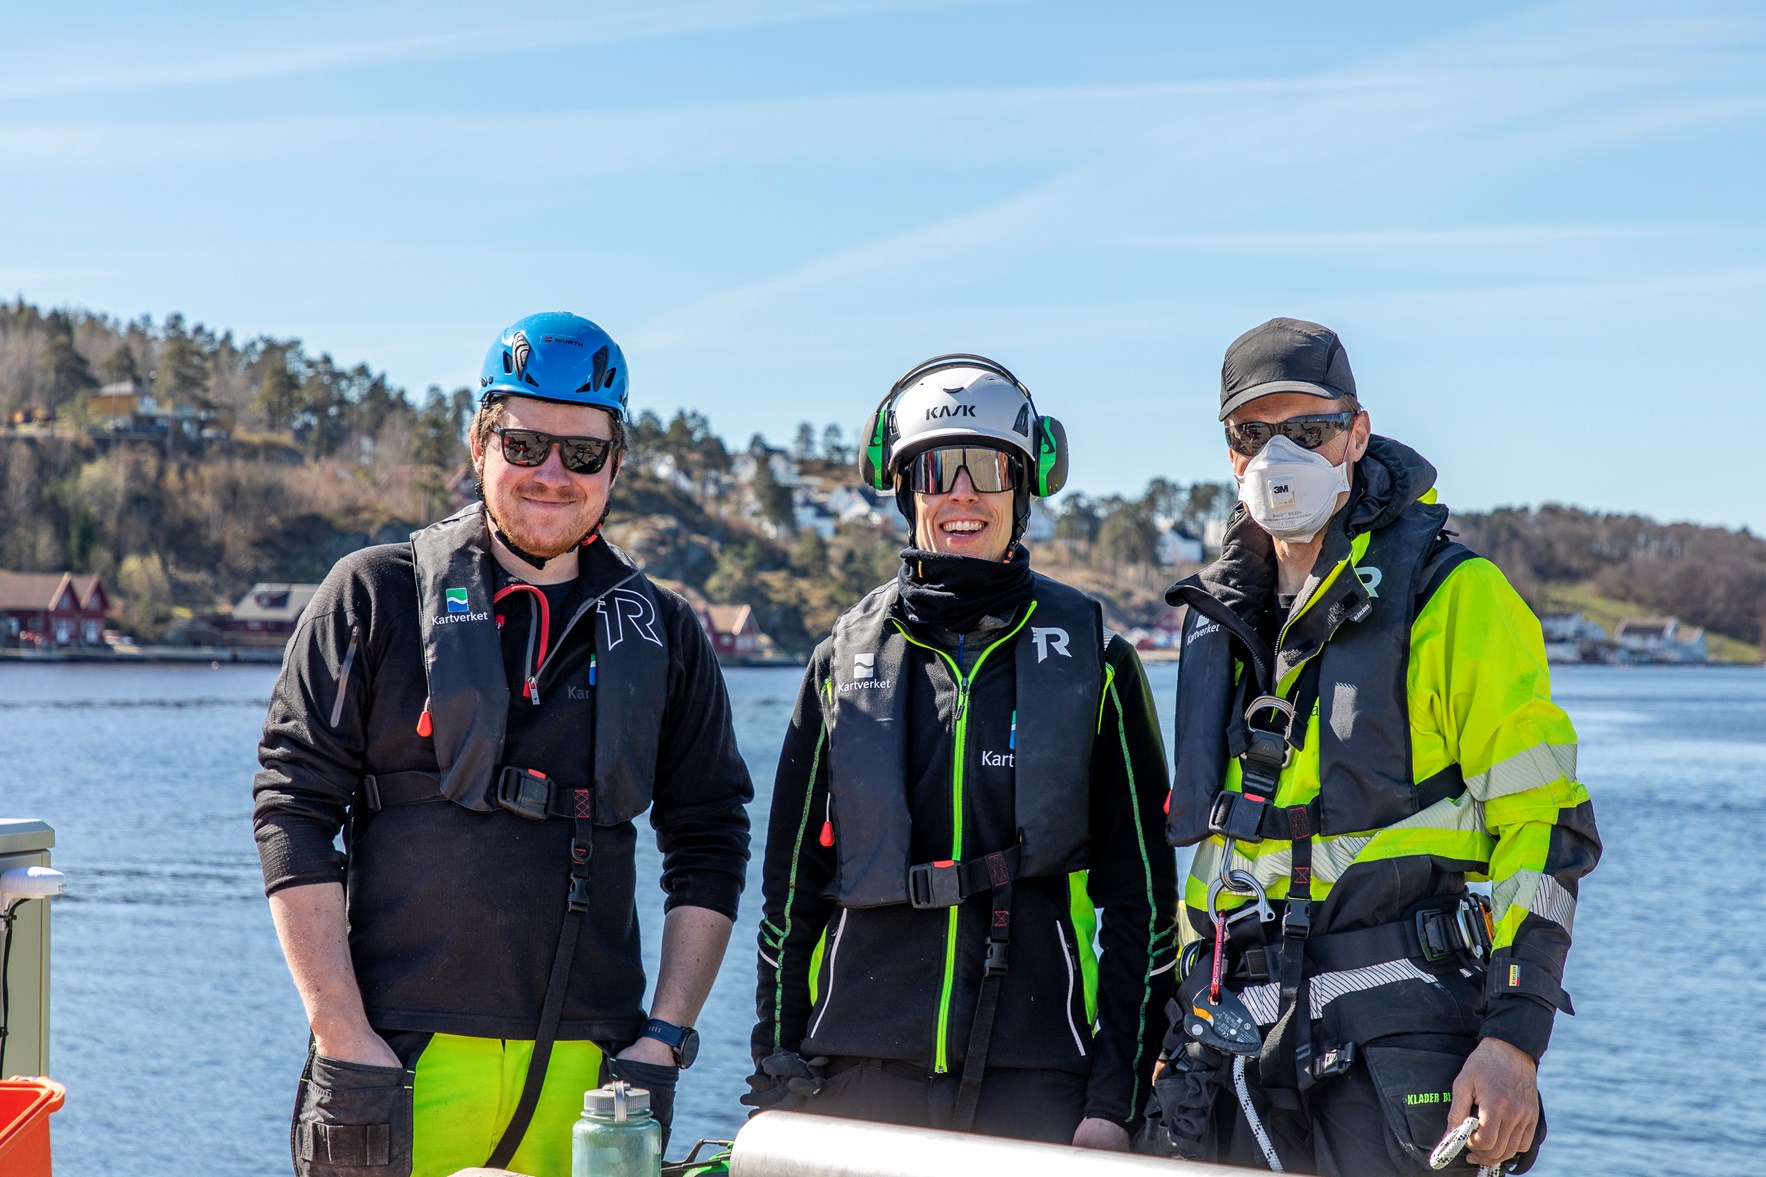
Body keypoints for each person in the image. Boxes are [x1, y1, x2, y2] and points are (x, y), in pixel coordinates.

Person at [253, 312, 753, 1177]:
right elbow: (291, 808)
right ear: (479, 443)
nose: (552, 474)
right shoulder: (373, 596)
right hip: (398, 1062)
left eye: (583, 452)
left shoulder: (666, 632)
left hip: (591, 1078)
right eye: (524, 445)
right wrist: (341, 1028)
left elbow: (710, 840)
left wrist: (664, 1036)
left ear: (616, 463)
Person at [1147, 318, 1600, 1175]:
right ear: (1230, 455)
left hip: (1402, 1038)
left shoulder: (1455, 597)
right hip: (1233, 1049)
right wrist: (1178, 1028)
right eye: (1253, 434)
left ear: (1357, 433)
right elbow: (1212, 861)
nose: (1280, 454)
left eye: (1308, 430)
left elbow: (1544, 826)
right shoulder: (1217, 621)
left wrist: (1515, 1040)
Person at [744, 354, 1178, 1149]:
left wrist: (1113, 1099)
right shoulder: (841, 662)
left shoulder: (1095, 661)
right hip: (856, 1071)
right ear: (905, 489)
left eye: (989, 468)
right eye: (938, 469)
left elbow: (1143, 903)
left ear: (1026, 484)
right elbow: (788, 891)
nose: (963, 493)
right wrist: (779, 1062)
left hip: (1043, 1079)